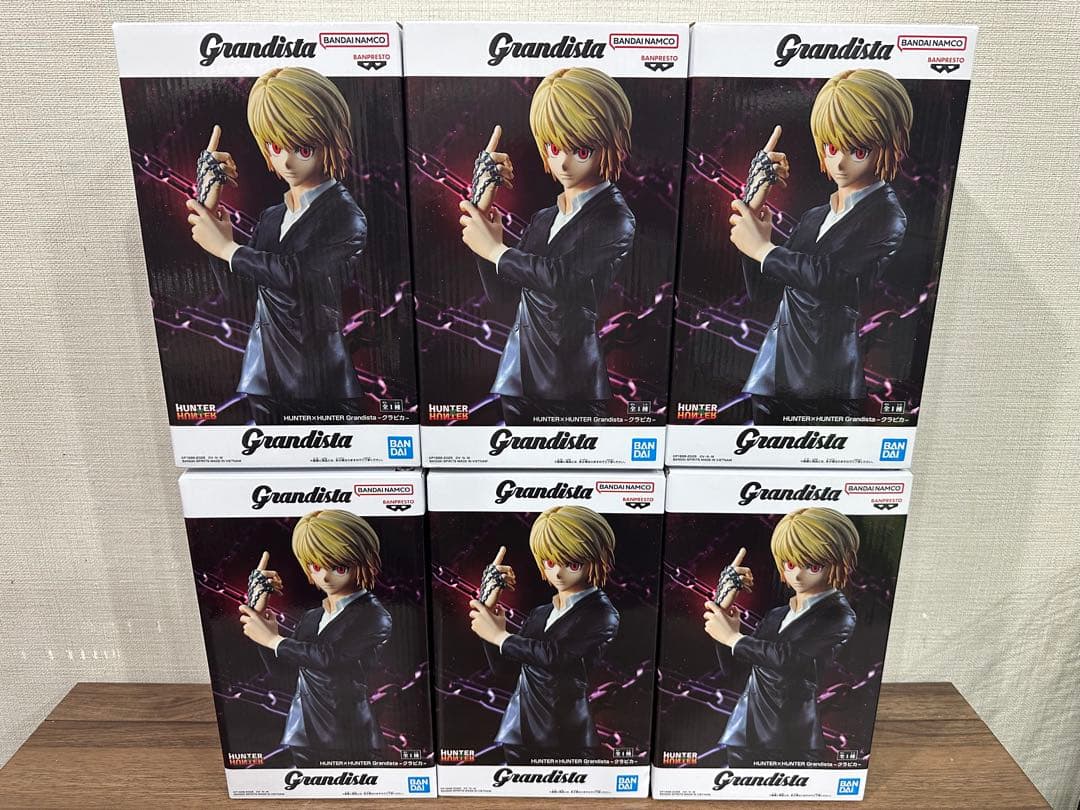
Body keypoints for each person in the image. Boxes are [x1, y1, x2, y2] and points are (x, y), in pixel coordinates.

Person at [728, 69, 913, 423]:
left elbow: (831, 278)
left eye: (858, 150)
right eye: (831, 147)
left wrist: (764, 249)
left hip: (825, 386)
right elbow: (764, 290)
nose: (840, 161)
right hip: (772, 374)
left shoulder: (887, 215)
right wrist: (753, 210)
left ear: (888, 144)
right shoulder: (815, 217)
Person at [185, 67, 366, 424]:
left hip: (317, 386)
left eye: (303, 148)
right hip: (262, 378)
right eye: (276, 146)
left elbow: (296, 275)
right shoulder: (271, 217)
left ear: (331, 139)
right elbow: (241, 292)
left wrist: (227, 249)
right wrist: (213, 220)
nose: (286, 161)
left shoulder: (345, 215)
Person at [458, 67, 636, 425]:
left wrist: (496, 250)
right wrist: (483, 219)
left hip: (570, 385)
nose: (564, 162)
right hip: (516, 377)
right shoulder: (544, 219)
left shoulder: (615, 218)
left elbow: (561, 278)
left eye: (581, 150)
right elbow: (503, 293)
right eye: (554, 148)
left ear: (611, 143)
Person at [703, 507, 859, 766]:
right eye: (790, 564)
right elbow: (737, 671)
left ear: (838, 561)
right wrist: (724, 617)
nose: (797, 574)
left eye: (813, 566)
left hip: (789, 740)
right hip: (743, 733)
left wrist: (733, 638)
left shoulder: (838, 615)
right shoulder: (777, 615)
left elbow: (790, 659)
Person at [238, 509, 391, 767]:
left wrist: (274, 640)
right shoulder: (312, 617)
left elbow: (330, 657)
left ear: (364, 561)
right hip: (301, 734)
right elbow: (285, 672)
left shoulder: (374, 615)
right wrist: (262, 621)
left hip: (347, 738)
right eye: (316, 566)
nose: (326, 576)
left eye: (339, 567)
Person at [467, 505, 620, 762]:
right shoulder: (540, 613)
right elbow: (505, 668)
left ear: (596, 558)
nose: (557, 572)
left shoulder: (601, 613)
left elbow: (556, 657)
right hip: (517, 732)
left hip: (564, 737)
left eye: (572, 563)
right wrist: (490, 616)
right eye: (550, 562)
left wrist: (500, 636)